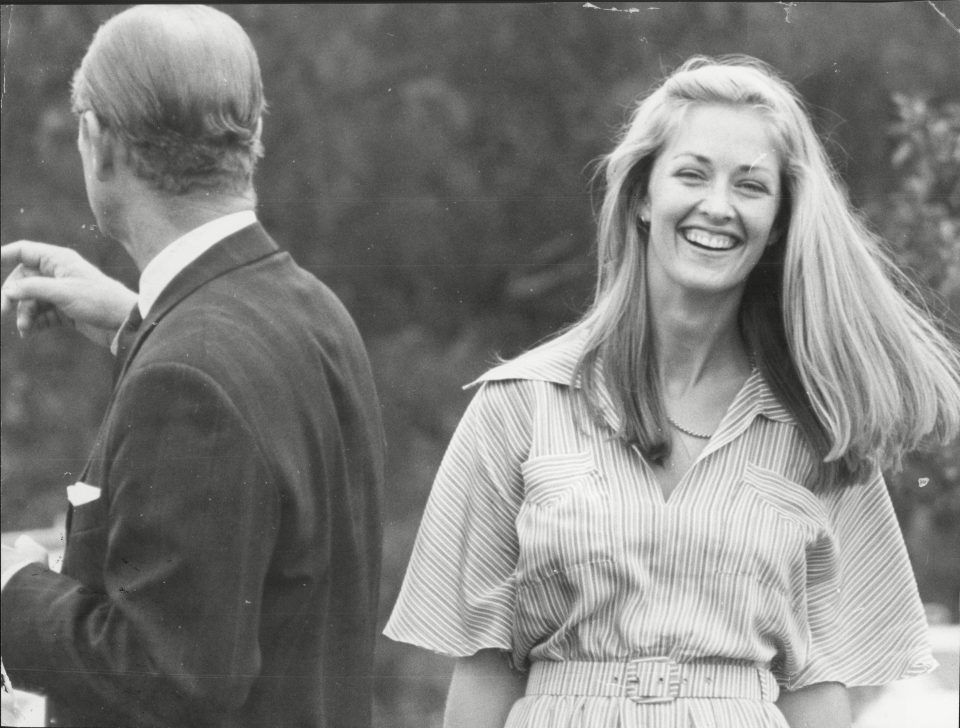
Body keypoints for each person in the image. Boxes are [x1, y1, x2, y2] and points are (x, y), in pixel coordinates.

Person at [384, 55, 960, 728]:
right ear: (641, 197)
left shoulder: (820, 428)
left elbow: (816, 680)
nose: (718, 207)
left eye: (751, 186)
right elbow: (484, 665)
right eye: (692, 174)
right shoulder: (520, 405)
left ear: (778, 222)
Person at [0, 6, 384, 728]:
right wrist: (138, 326)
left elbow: (167, 674)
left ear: (99, 144)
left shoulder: (188, 378)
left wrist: (11, 590)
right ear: (253, 136)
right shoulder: (314, 310)